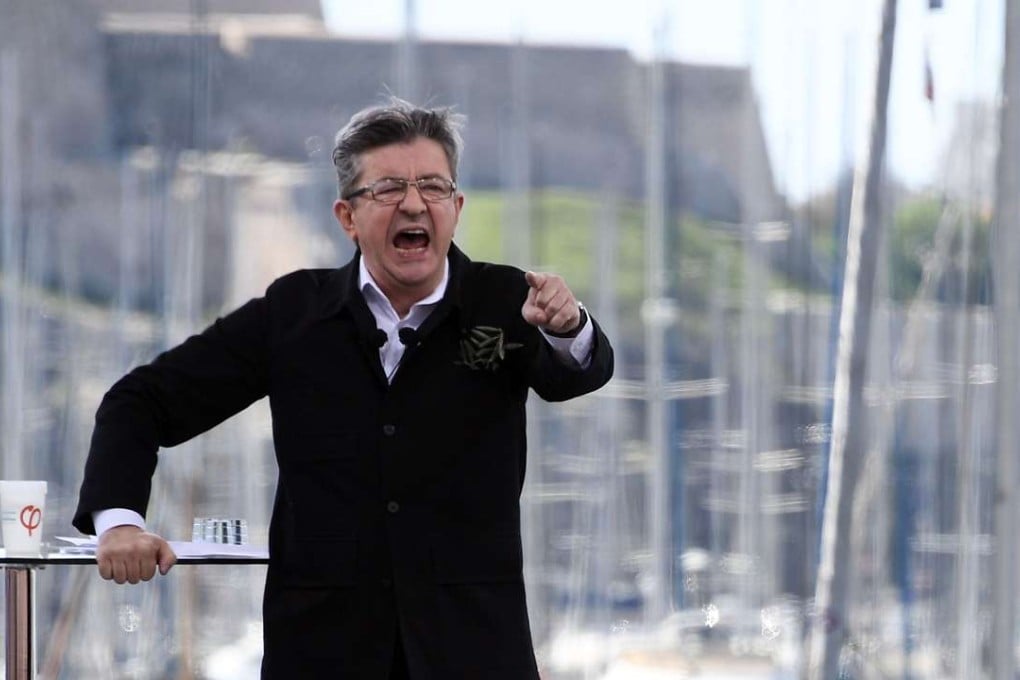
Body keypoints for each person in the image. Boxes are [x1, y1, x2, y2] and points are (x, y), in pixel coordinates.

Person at [73, 98, 614, 679]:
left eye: (432, 186)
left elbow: (576, 373)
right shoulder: (294, 313)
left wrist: (568, 325)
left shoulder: (508, 302)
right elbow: (141, 401)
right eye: (387, 189)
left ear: (456, 207)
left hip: (475, 652)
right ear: (347, 216)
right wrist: (120, 521)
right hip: (321, 654)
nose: (413, 203)